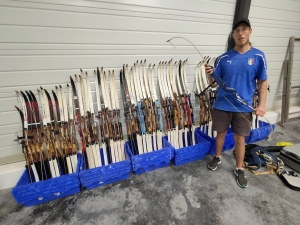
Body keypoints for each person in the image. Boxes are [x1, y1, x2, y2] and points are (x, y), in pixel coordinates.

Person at [205, 18, 268, 188]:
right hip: (222, 104)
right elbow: (215, 83)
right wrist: (210, 74)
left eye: (244, 29)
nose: (241, 33)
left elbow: (263, 82)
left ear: (250, 31)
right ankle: (217, 157)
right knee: (220, 134)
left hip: (243, 106)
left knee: (240, 139)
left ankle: (239, 168)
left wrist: (261, 105)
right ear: (233, 35)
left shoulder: (258, 56)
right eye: (237, 30)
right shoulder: (224, 58)